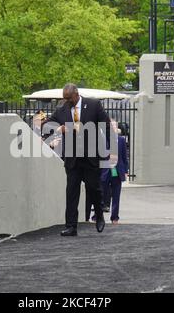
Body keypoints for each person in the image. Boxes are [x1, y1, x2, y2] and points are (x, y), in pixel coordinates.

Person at [45, 83, 111, 236]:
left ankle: (99, 214)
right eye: (65, 98)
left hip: (91, 156)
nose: (67, 101)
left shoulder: (93, 105)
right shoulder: (62, 109)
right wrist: (58, 128)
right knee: (72, 192)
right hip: (72, 158)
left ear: (76, 94)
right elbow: (46, 124)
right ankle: (71, 226)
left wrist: (107, 149)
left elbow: (106, 126)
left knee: (93, 188)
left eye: (69, 98)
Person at [101, 120, 128, 224]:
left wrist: (125, 170)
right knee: (101, 195)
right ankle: (97, 216)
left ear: (117, 128)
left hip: (117, 171)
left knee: (116, 196)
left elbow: (124, 157)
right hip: (105, 170)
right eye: (110, 126)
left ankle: (115, 218)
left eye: (114, 126)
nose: (112, 128)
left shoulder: (121, 140)